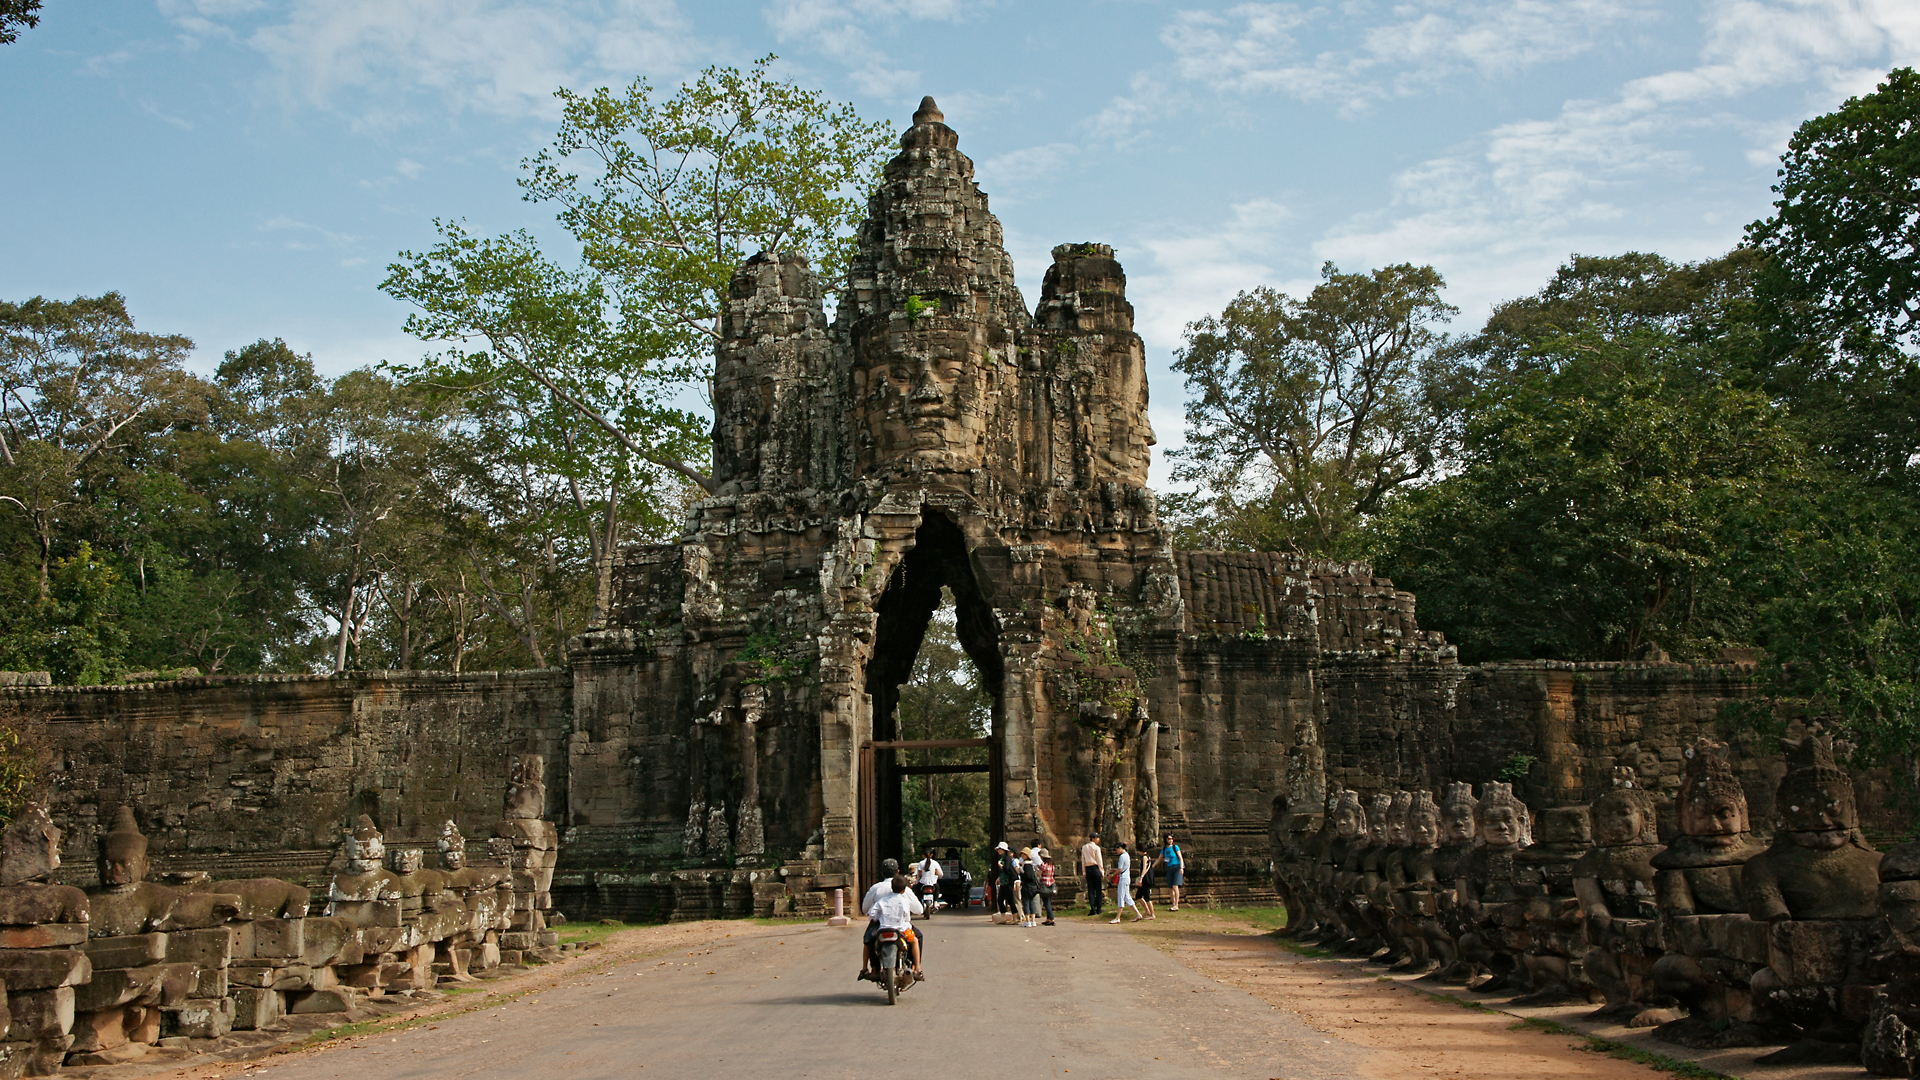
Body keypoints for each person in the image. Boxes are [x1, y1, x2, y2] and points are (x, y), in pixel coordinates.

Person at [867, 871, 925, 979]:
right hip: (901, 930)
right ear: (904, 890)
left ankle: (874, 969)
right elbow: (907, 918)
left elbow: (872, 915)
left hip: (883, 929)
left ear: (892, 887)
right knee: (915, 940)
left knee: (872, 942)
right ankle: (917, 968)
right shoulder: (904, 901)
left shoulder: (882, 901)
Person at [858, 858, 902, 978]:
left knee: (868, 940)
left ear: (882, 873)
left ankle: (870, 968)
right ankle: (915, 968)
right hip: (899, 923)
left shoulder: (876, 888)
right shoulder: (904, 888)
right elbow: (918, 909)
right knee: (917, 937)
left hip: (879, 923)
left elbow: (865, 909)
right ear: (898, 872)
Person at [1109, 841, 1142, 923]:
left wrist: (1112, 875)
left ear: (1120, 848)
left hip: (1123, 878)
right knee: (1127, 897)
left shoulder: (1122, 857)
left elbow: (1120, 869)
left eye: (1117, 849)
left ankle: (1117, 917)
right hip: (1126, 877)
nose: (1116, 851)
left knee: (1121, 896)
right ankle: (1138, 914)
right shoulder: (1127, 855)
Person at [1081, 833, 1105, 916]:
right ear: (1093, 838)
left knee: (1090, 890)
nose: (1098, 840)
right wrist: (1102, 871)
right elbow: (1099, 860)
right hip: (1095, 868)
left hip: (1088, 868)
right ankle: (1098, 908)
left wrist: (1084, 871)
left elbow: (1083, 860)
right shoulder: (1096, 848)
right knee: (1098, 889)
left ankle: (1092, 908)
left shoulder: (1084, 847)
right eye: (1097, 838)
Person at [914, 846, 943, 915]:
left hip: (923, 883)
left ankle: (919, 903)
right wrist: (936, 877)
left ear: (923, 855)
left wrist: (918, 880)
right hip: (933, 883)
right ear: (931, 855)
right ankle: (935, 902)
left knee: (916, 890)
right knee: (937, 889)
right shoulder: (935, 863)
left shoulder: (921, 863)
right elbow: (940, 874)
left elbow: (919, 875)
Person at [994, 841, 1019, 922]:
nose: (999, 851)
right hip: (1003, 882)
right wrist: (998, 879)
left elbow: (1006, 868)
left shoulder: (1007, 858)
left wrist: (1000, 865)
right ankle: (1003, 918)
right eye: (998, 849)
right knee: (1000, 900)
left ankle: (1015, 918)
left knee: (1011, 901)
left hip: (1008, 882)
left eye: (1000, 849)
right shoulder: (1001, 858)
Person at [1161, 834, 1185, 911]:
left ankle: (1176, 904)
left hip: (1177, 867)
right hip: (1169, 868)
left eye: (1171, 839)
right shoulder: (1164, 849)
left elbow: (1180, 857)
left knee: (1175, 886)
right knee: (1170, 888)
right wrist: (1152, 866)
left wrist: (1181, 867)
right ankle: (1173, 904)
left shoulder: (1175, 847)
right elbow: (1159, 858)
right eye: (1169, 839)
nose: (1170, 840)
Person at [1019, 846, 1041, 927]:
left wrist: (1021, 873)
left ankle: (1028, 921)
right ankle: (1033, 921)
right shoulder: (1032, 865)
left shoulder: (1027, 865)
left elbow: (1028, 876)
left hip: (1027, 887)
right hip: (1033, 887)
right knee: (1032, 903)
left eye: (1023, 854)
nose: (1022, 856)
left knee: (1026, 903)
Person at [1038, 850, 1058, 925]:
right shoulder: (1052, 865)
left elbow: (1039, 874)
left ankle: (1051, 918)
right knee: (1049, 901)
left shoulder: (1043, 865)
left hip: (1045, 884)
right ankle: (1048, 918)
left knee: (1046, 903)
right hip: (1051, 883)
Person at [1136, 852, 1158, 919]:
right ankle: (1147, 910)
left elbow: (1144, 868)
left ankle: (1152, 914)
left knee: (1147, 897)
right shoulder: (1148, 856)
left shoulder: (1145, 857)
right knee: (1138, 896)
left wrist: (1141, 878)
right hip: (1146, 878)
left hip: (1146, 879)